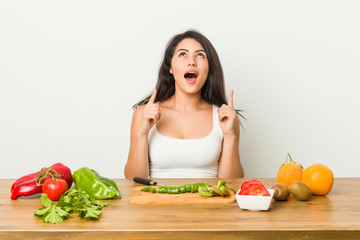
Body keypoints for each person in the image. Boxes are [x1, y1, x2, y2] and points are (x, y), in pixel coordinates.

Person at [124, 30, 244, 179]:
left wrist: (230, 136)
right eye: (182, 54)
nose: (192, 61)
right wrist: (142, 134)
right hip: (156, 202)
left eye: (200, 55)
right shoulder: (143, 113)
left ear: (209, 69)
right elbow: (132, 180)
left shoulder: (225, 118)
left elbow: (232, 184)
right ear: (170, 68)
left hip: (209, 202)